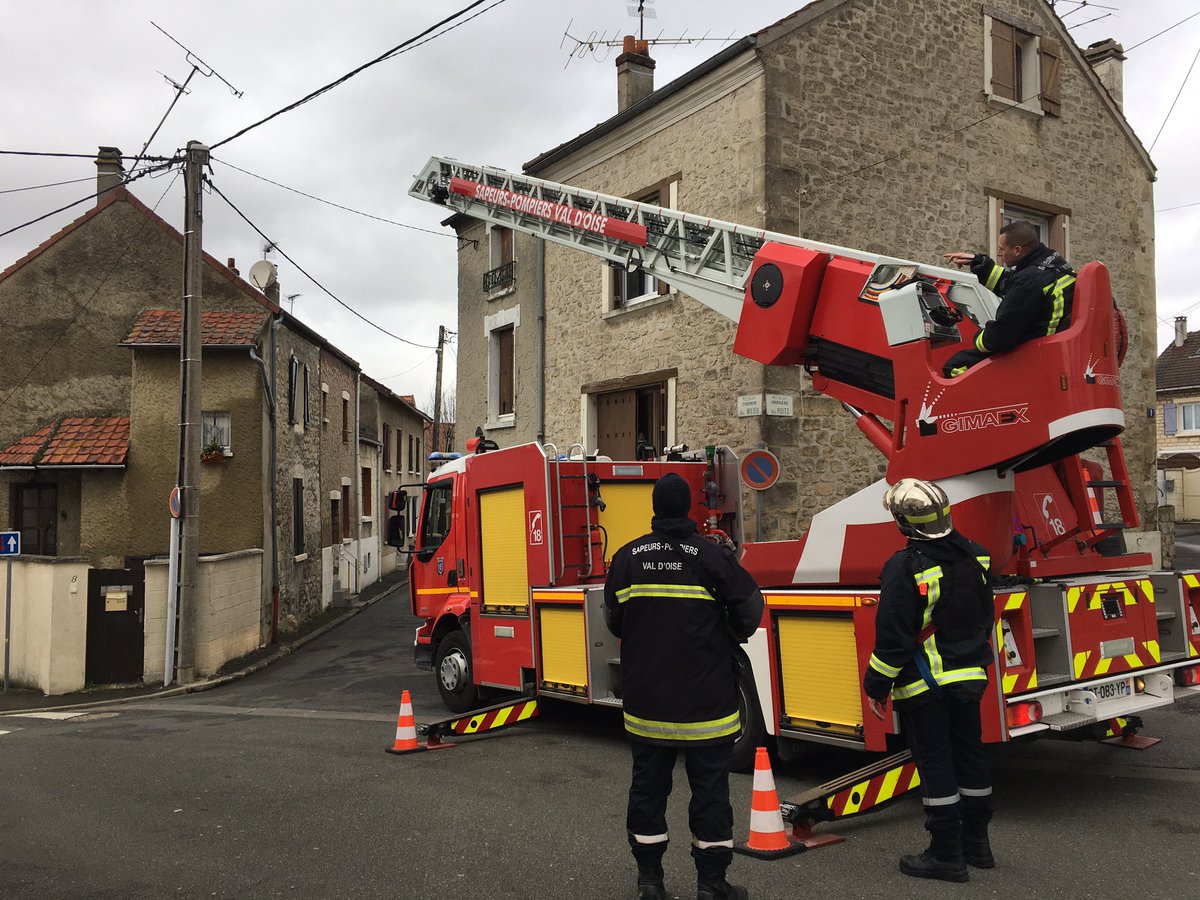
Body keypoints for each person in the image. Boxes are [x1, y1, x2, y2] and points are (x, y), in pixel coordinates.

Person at [604, 473, 765, 900]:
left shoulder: (627, 557)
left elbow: (614, 620)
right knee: (711, 795)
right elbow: (751, 612)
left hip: (647, 704)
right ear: (689, 509)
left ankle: (650, 883)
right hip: (707, 704)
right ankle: (712, 885)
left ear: (654, 510)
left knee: (647, 792)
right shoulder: (711, 557)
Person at [864, 478, 995, 883]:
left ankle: (946, 855)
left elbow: (893, 635)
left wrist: (875, 686)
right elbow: (984, 617)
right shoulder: (977, 555)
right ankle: (978, 846)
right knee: (971, 756)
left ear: (905, 524)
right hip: (970, 676)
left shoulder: (905, 566)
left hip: (926, 685)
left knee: (936, 762)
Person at [941, 220, 1076, 376]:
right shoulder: (1053, 264)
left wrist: (978, 338)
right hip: (1047, 347)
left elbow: (1001, 337)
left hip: (1031, 356)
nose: (999, 254)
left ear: (1017, 250)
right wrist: (979, 263)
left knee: (954, 366)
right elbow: (1013, 284)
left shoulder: (1028, 280)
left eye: (1001, 249)